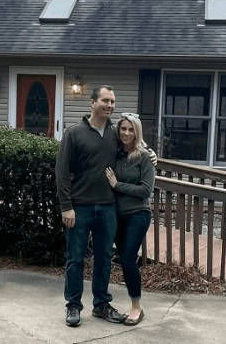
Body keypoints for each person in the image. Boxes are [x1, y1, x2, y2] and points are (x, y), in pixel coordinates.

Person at [56, 85, 126, 327]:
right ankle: (73, 305)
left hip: (107, 207)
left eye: (113, 102)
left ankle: (101, 305)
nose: (110, 106)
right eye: (105, 101)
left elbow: (134, 148)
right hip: (80, 207)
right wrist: (66, 206)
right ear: (92, 103)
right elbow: (62, 172)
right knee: (75, 258)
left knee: (104, 258)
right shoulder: (74, 133)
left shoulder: (116, 134)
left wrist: (150, 156)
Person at [104, 112, 155, 326]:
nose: (126, 133)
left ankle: (136, 307)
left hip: (138, 214)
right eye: (123, 128)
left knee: (127, 259)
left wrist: (117, 185)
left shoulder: (145, 156)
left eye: (130, 129)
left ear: (137, 131)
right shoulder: (115, 153)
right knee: (120, 258)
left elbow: (146, 190)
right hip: (117, 215)